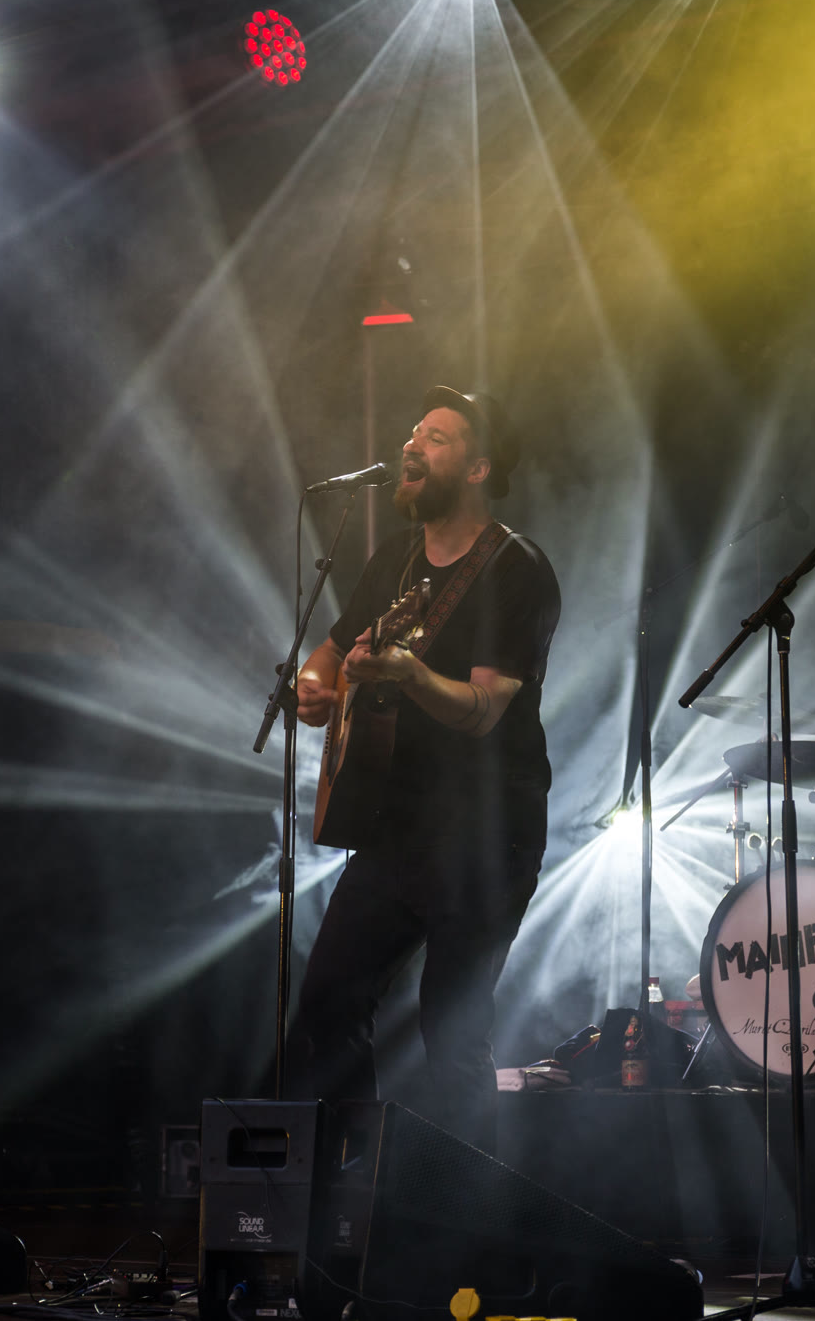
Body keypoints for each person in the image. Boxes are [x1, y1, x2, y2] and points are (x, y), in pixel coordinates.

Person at [293, 386, 560, 1151]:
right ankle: (359, 1177)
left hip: (487, 837)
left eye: (437, 437)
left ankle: (463, 1206)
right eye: (414, 433)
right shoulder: (395, 559)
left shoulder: (515, 568)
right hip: (398, 826)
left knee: (453, 1030)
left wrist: (409, 674)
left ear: (477, 468)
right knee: (329, 997)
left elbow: (483, 710)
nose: (412, 444)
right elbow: (334, 648)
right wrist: (316, 683)